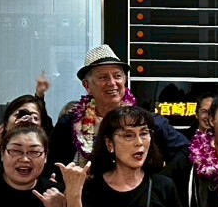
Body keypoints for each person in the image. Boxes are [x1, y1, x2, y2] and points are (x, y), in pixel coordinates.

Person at [52, 44, 187, 167]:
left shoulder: (148, 122)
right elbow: (52, 166)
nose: (112, 83)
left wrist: (160, 179)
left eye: (117, 76)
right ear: (87, 85)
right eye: (103, 77)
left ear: (125, 81)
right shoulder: (69, 124)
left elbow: (186, 152)